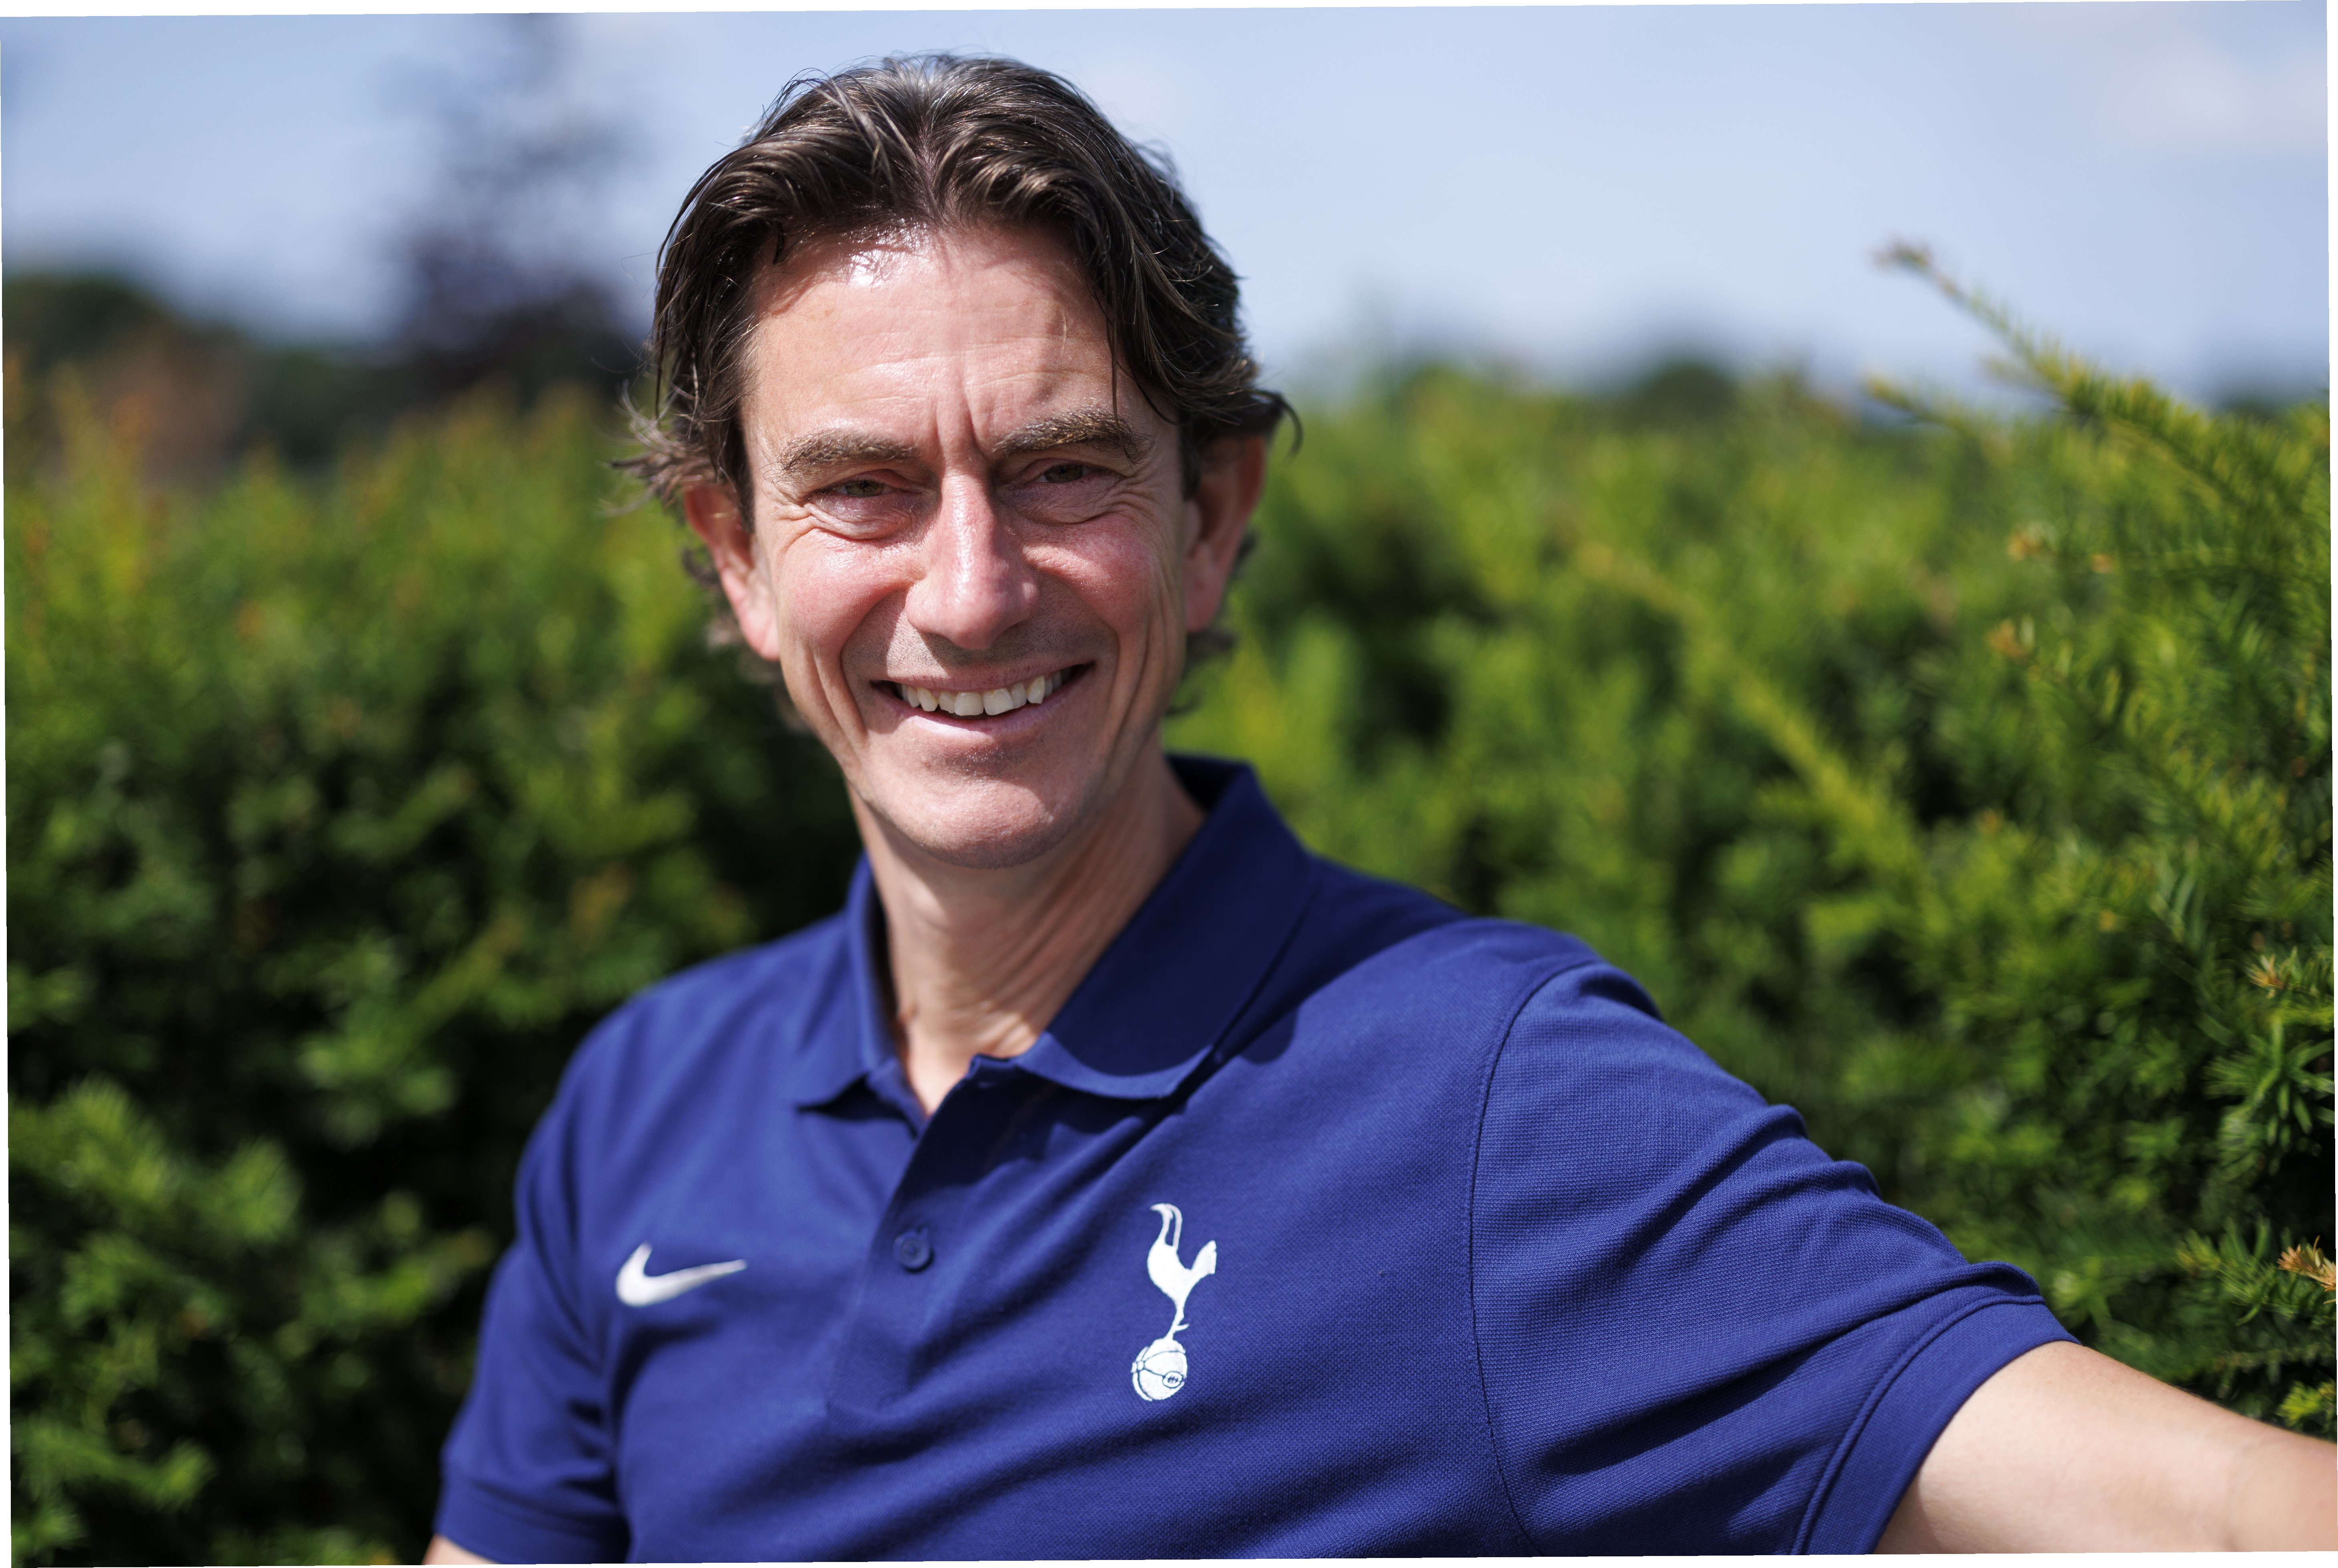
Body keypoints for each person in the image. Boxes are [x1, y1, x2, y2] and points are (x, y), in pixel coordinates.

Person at [426, 55, 2334, 1562]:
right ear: (735, 556)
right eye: (862, 489)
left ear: (1212, 520)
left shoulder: (1489, 1101)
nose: (971, 589)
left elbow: (2238, 1520)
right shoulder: (641, 1107)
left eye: (1061, 467)